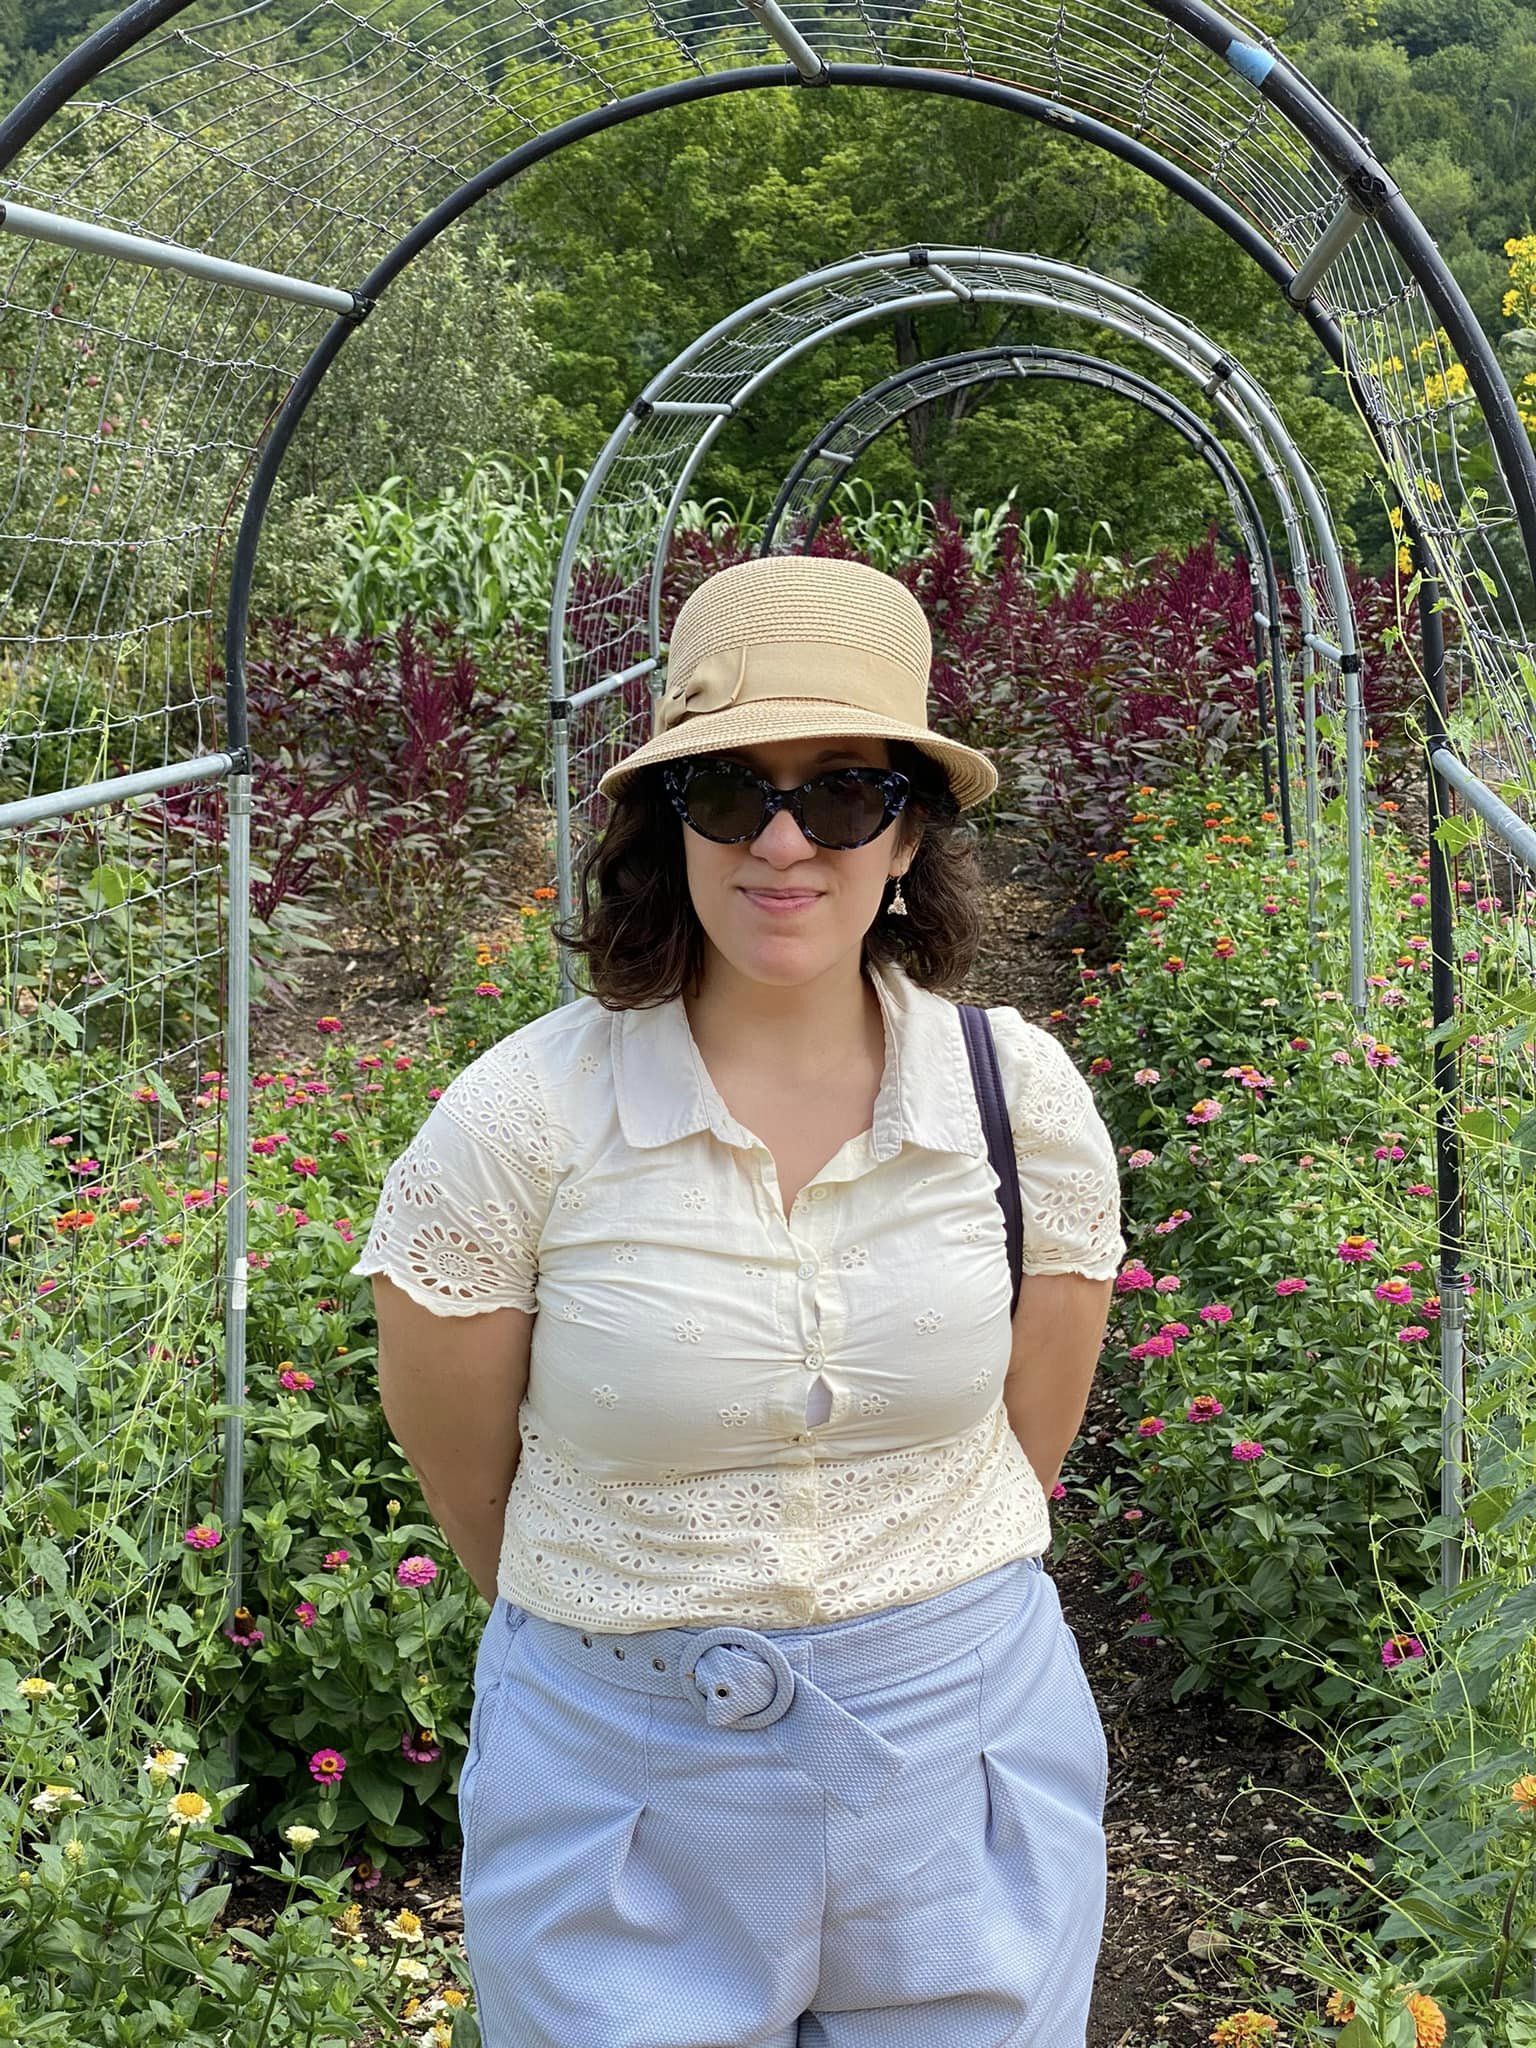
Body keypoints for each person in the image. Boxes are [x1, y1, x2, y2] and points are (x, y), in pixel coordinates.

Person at [351, 552, 1128, 2048]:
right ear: (671, 826)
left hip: (957, 1757)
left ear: (908, 837)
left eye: (842, 793)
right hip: (620, 1778)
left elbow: (1027, 1441)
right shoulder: (522, 1121)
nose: (785, 842)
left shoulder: (1015, 1097)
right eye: (729, 794)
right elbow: (468, 1477)